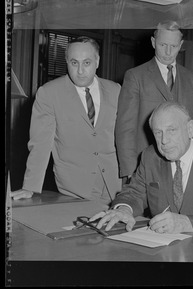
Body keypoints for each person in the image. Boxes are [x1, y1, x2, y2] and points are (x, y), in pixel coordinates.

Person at [91, 101, 193, 262]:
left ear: (190, 129)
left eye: (171, 130)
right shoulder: (150, 157)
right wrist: (124, 210)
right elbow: (134, 193)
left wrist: (186, 223)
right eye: (158, 133)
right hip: (168, 252)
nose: (164, 141)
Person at [10, 36, 122, 204]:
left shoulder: (115, 90)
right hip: (74, 188)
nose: (80, 71)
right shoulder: (49, 93)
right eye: (74, 63)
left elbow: (125, 136)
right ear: (66, 62)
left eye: (87, 63)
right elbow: (40, 143)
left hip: (115, 184)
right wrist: (30, 186)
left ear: (97, 61)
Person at [115, 21, 193, 185]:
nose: (168, 52)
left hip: (185, 165)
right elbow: (125, 128)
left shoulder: (192, 79)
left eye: (173, 46)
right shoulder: (135, 76)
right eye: (163, 45)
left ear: (181, 45)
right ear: (153, 43)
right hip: (147, 164)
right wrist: (131, 170)